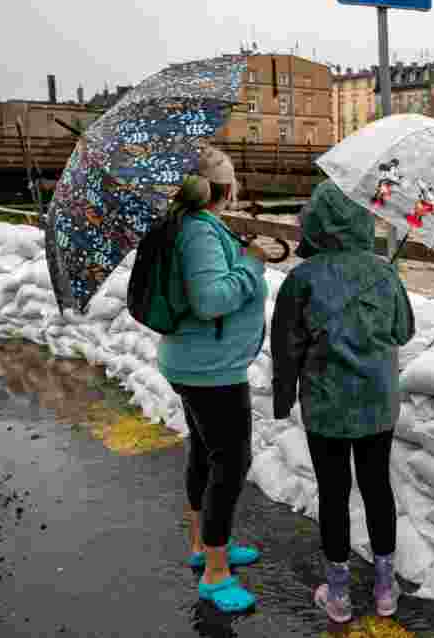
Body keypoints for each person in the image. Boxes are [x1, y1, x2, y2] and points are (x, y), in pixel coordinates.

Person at [271, 180, 415, 624]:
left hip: (327, 406)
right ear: (359, 223)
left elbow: (286, 350)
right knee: (377, 489)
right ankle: (385, 589)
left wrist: (282, 398)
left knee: (333, 494)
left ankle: (338, 596)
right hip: (377, 403)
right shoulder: (384, 273)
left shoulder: (301, 280)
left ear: (314, 224)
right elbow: (403, 331)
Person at [156, 146, 269, 614]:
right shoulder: (198, 231)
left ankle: (204, 544)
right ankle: (216, 573)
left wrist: (237, 252)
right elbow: (208, 299)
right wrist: (251, 265)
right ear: (224, 188)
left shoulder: (190, 224)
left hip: (197, 362)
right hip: (211, 371)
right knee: (230, 462)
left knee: (205, 453)